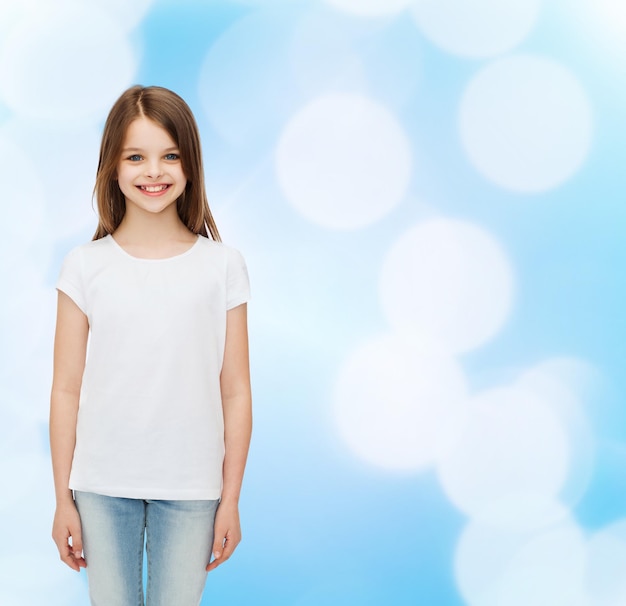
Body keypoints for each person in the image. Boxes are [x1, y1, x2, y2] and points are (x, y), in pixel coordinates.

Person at [49, 85, 252, 606]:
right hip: (101, 484)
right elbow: (66, 390)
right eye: (136, 157)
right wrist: (62, 500)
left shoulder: (222, 266)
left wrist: (230, 499)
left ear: (190, 166)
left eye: (170, 156)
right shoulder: (85, 266)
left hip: (191, 489)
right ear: (113, 167)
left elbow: (235, 391)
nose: (153, 172)